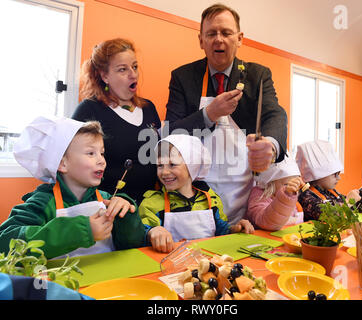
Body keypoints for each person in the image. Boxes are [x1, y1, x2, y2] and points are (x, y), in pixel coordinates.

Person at [164, 3, 288, 225]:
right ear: (201, 40)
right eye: (211, 33)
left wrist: (269, 144)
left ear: (239, 38)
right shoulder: (183, 77)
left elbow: (275, 114)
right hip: (195, 197)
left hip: (244, 197)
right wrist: (208, 114)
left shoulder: (257, 75)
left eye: (226, 33)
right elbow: (171, 133)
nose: (218, 39)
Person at [0, 116, 146, 259]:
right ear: (62, 164)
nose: (101, 160)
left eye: (102, 153)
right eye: (91, 153)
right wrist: (81, 230)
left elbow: (133, 245)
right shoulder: (42, 203)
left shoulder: (107, 199)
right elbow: (6, 240)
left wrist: (126, 216)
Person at [72, 38, 161, 205]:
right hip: (108, 209)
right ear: (104, 76)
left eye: (134, 67)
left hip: (149, 209)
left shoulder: (149, 108)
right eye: (122, 69)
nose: (133, 74)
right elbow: (73, 166)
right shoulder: (89, 110)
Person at [139, 134, 254, 253]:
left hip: (208, 263)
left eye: (172, 164)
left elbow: (221, 231)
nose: (165, 172)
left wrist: (235, 229)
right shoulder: (152, 203)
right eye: (160, 165)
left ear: (192, 167)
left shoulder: (210, 198)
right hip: (172, 266)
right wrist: (152, 231)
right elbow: (139, 237)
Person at [296, 140, 362, 221]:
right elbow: (329, 216)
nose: (339, 178)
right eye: (335, 175)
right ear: (319, 175)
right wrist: (348, 202)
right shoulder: (306, 196)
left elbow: (355, 209)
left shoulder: (330, 192)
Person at [246, 154, 305, 231]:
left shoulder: (293, 197)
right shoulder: (260, 196)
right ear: (270, 184)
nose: (293, 189)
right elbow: (266, 221)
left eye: (295, 184)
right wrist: (286, 195)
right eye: (286, 184)